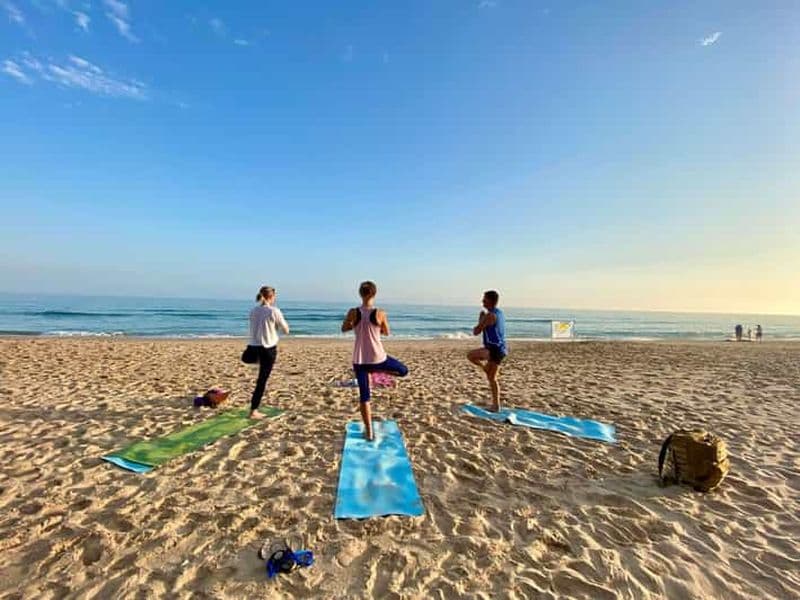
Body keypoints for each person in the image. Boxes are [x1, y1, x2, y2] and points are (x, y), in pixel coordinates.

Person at [341, 281, 408, 441]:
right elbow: (387, 332)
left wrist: (353, 325)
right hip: (377, 358)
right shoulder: (380, 313)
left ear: (360, 293)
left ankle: (369, 431)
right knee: (403, 371)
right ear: (374, 294)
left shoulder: (353, 312)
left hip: (360, 360)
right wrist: (377, 327)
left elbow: (344, 328)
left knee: (364, 396)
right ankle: (379, 370)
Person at [246, 285, 290, 419]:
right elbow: (286, 330)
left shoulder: (253, 310)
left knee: (261, 378)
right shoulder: (273, 311)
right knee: (262, 380)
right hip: (267, 348)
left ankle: (254, 408)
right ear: (272, 297)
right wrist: (275, 326)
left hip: (253, 347)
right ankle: (253, 411)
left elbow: (257, 327)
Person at [467, 290, 508, 412]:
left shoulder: (490, 316)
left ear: (490, 301)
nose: (482, 301)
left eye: (484, 299)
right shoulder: (499, 313)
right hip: (500, 348)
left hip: (494, 350)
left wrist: (480, 319)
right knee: (492, 379)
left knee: (471, 356)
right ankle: (496, 405)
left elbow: (476, 331)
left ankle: (484, 368)